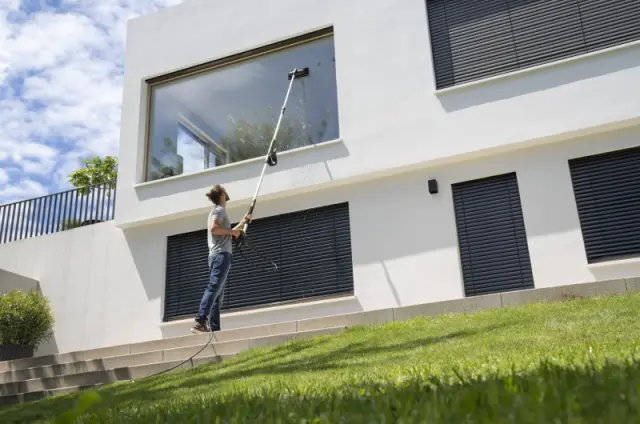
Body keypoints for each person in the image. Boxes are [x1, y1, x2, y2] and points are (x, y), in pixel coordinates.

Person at [191, 184, 251, 334]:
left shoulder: (218, 211)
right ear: (222, 195)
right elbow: (214, 229)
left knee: (217, 295)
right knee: (214, 288)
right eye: (225, 191)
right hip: (220, 256)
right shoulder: (219, 210)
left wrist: (243, 222)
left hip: (218, 255)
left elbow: (225, 233)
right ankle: (200, 320)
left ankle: (214, 328)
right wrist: (232, 232)